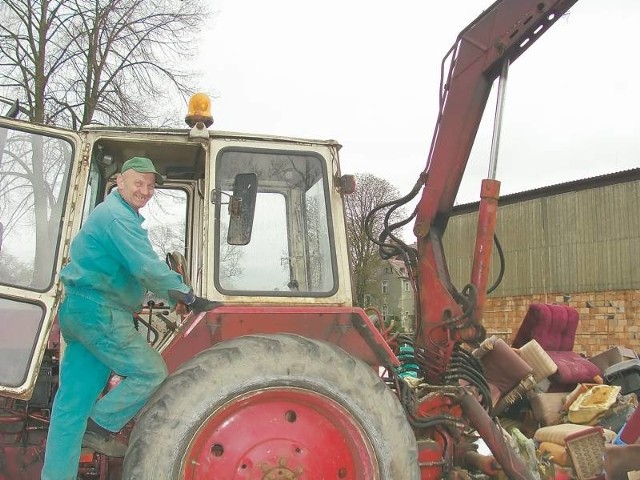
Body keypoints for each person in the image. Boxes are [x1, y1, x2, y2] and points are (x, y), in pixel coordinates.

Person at [41, 157, 218, 480]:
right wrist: (186, 296)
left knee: (71, 409)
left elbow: (135, 271)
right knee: (150, 372)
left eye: (150, 185)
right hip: (99, 312)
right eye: (139, 183)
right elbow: (145, 266)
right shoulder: (117, 218)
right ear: (120, 182)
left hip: (80, 311)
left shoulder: (117, 217)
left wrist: (169, 294)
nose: (146, 190)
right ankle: (101, 425)